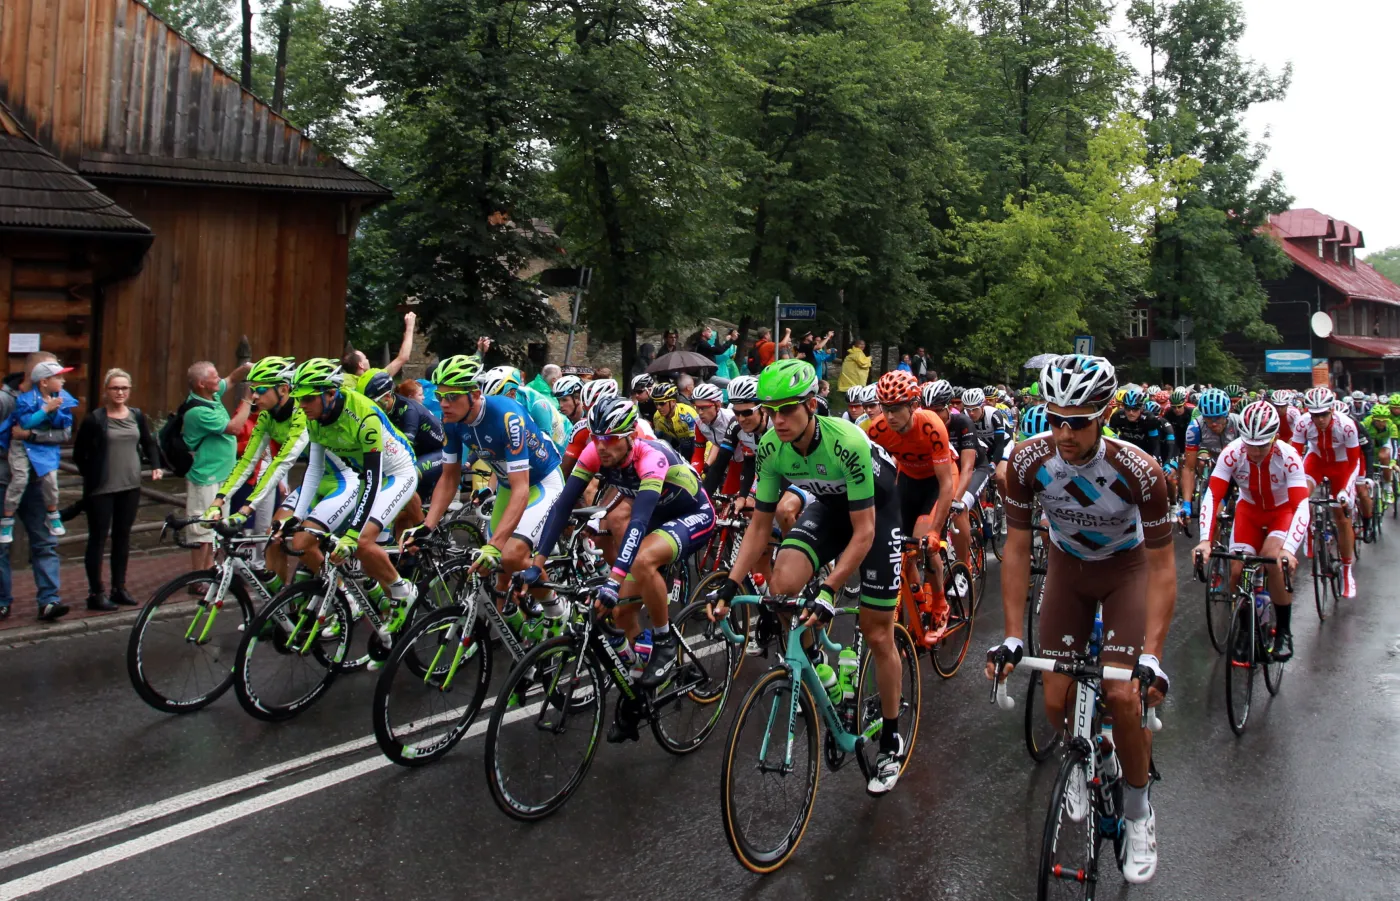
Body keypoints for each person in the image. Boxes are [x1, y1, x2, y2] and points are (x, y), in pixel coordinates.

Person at [989, 354, 1173, 886]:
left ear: (1106, 412)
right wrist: (1012, 637)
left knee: (1121, 695)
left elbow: (1164, 570)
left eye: (1078, 421)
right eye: (1054, 419)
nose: (1064, 432)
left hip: (1127, 572)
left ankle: (1138, 813)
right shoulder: (1027, 463)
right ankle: (1085, 754)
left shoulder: (1139, 469)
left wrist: (1154, 658)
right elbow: (1018, 550)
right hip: (1069, 571)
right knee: (1054, 698)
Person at [707, 360, 908, 794]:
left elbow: (865, 532)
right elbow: (760, 528)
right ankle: (821, 675)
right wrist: (732, 582)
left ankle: (891, 735)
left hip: (877, 513)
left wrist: (830, 589)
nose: (777, 420)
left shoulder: (847, 442)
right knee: (781, 589)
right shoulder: (770, 448)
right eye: (770, 410)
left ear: (812, 405)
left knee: (876, 632)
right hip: (830, 508)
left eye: (787, 410)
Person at [283, 359, 421, 633]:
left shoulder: (363, 415)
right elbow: (313, 470)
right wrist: (297, 516)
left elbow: (372, 478)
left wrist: (355, 531)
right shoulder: (316, 418)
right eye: (298, 399)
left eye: (308, 398)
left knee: (360, 539)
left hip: (398, 473)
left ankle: (403, 592)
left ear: (330, 393)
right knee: (337, 541)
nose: (301, 405)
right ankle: (363, 602)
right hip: (367, 476)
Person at [1194, 401, 1308, 661]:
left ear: (1275, 438)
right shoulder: (1232, 453)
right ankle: (1246, 630)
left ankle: (1284, 632)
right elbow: (1212, 496)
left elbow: (1301, 505)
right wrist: (1204, 541)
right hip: (1249, 512)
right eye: (1250, 444)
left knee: (1272, 562)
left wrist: (1289, 550)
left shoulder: (1289, 456)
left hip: (1281, 512)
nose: (1255, 452)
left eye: (1262, 445)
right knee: (1236, 571)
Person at [206, 356, 312, 588]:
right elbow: (247, 461)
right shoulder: (266, 416)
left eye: (260, 390)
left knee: (306, 542)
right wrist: (218, 501)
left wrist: (246, 508)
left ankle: (343, 592)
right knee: (274, 537)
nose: (253, 396)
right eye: (252, 390)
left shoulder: (302, 413)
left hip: (347, 478)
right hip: (316, 481)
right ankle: (282, 610)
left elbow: (282, 462)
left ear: (283, 389)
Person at [866, 371, 957, 636]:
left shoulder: (931, 426)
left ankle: (940, 601)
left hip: (937, 482)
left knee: (924, 543)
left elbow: (946, 484)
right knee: (900, 549)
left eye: (896, 409)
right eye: (885, 408)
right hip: (907, 479)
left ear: (914, 406)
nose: (890, 416)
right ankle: (916, 597)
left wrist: (935, 531)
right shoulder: (878, 430)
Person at [71, 369, 164, 611]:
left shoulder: (136, 416)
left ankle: (119, 588)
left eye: (124, 388)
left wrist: (155, 466)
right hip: (102, 488)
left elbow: (148, 442)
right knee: (98, 539)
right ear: (106, 391)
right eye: (115, 388)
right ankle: (96, 593)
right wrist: (92, 474)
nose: (120, 392)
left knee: (122, 537)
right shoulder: (95, 419)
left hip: (130, 485)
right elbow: (79, 454)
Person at [0, 353, 72, 621]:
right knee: (1, 545)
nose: (61, 380)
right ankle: (2, 601)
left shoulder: (55, 397)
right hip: (5, 479)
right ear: (38, 377)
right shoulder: (5, 399)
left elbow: (64, 434)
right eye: (55, 374)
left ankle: (49, 601)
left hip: (38, 481)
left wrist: (31, 435)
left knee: (44, 543)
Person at [182, 360, 253, 572]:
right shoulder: (198, 411)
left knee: (217, 527)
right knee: (202, 529)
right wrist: (248, 399)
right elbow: (234, 428)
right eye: (214, 376)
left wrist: (247, 368)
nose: (218, 379)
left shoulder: (211, 395)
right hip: (206, 477)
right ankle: (198, 576)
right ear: (202, 383)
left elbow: (231, 379)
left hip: (222, 475)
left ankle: (210, 570)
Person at [1293, 386, 1362, 597]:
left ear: (1331, 410)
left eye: (1323, 414)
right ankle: (1309, 531)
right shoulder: (1303, 423)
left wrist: (1345, 490)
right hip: (1317, 461)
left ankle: (1347, 571)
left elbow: (1354, 461)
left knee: (1341, 517)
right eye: (1315, 415)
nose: (1320, 419)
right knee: (1300, 495)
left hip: (1342, 466)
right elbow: (1295, 457)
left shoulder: (1347, 426)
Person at [0, 361, 78, 541]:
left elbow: (64, 427)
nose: (63, 381)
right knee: (19, 478)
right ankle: (7, 520)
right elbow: (25, 422)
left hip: (43, 447)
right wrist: (45, 410)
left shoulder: (63, 398)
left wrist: (55, 412)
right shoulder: (26, 399)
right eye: (58, 377)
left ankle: (53, 514)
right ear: (44, 382)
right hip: (21, 447)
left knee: (51, 480)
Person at [363, 370, 446, 508]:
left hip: (439, 452)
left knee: (407, 476)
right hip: (421, 450)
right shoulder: (384, 410)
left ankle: (421, 522)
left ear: (388, 397)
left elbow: (407, 447)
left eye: (374, 403)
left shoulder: (408, 410)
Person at [341, 312, 417, 395]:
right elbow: (403, 357)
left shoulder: (345, 386)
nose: (368, 360)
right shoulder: (374, 379)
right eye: (365, 358)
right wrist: (410, 326)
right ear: (361, 365)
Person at [650, 382, 699, 459]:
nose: (658, 407)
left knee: (686, 443)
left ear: (673, 402)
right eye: (656, 403)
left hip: (700, 444)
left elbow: (697, 442)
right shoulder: (657, 417)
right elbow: (658, 441)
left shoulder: (687, 414)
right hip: (680, 443)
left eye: (662, 403)